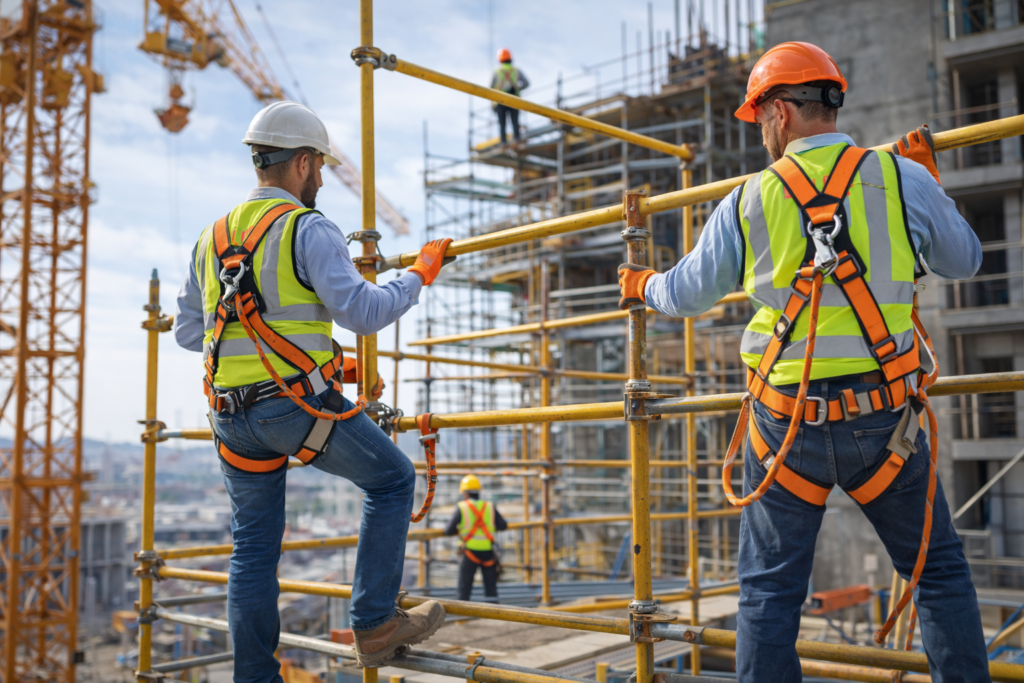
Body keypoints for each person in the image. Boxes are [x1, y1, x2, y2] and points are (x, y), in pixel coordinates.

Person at [617, 42, 989, 683]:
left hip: (785, 426)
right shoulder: (901, 177)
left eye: (759, 115)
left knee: (768, 595)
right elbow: (966, 262)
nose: (760, 129)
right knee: (939, 574)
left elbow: (685, 294)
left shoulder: (749, 199)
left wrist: (642, 283)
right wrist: (926, 194)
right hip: (885, 425)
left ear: (781, 112)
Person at [174, 101, 455, 680]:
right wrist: (418, 275)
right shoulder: (306, 226)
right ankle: (374, 624)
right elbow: (365, 311)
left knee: (252, 549)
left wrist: (303, 357)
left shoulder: (211, 237)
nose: (323, 179)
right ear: (301, 162)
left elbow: (188, 332)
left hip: (230, 415)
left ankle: (254, 676)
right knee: (394, 480)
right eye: (320, 167)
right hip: (295, 409)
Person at [443, 474, 508, 602]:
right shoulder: (489, 506)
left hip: (469, 553)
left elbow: (448, 530)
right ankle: (494, 617)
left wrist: (460, 530)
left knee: (464, 589)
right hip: (488, 552)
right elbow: (503, 525)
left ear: (465, 493)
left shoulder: (462, 507)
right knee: (491, 589)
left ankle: (461, 619)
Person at [491, 48, 529, 145]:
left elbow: (490, 89)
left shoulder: (497, 72)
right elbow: (526, 83)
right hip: (514, 98)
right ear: (510, 59)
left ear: (500, 60)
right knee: (515, 121)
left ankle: (503, 142)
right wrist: (517, 89)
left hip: (500, 99)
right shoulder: (516, 71)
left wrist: (493, 104)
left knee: (502, 123)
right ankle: (517, 139)